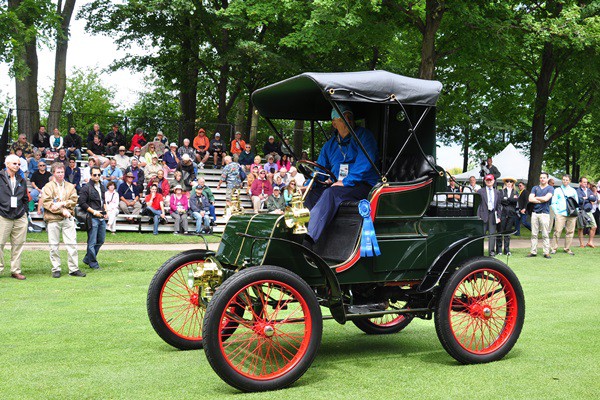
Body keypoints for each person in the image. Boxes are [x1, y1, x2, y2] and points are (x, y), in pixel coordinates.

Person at [304, 103, 379, 243]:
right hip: (340, 187)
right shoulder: (329, 146)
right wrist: (308, 185)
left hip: (363, 186)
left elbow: (365, 164)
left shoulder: (364, 136)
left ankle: (309, 240)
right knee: (311, 194)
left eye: (350, 117)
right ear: (334, 124)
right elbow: (319, 170)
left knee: (331, 193)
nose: (349, 121)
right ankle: (301, 233)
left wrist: (345, 182)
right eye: (344, 118)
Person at [41, 162, 85, 278]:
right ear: (53, 173)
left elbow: (74, 201)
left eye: (62, 172)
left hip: (68, 219)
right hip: (53, 219)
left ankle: (74, 268)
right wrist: (62, 211)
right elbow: (48, 203)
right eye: (58, 172)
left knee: (72, 244)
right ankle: (56, 268)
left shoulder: (70, 186)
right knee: (54, 245)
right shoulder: (48, 186)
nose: (60, 174)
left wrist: (62, 204)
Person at [0, 154, 29, 280]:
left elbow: (25, 198)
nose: (17, 166)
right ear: (7, 164)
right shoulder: (0, 177)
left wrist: (24, 211)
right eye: (14, 163)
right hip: (3, 215)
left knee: (18, 244)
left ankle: (15, 270)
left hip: (19, 216)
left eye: (18, 164)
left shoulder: (21, 179)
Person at [78, 166, 106, 270]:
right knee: (92, 241)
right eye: (95, 175)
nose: (97, 176)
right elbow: (82, 203)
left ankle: (87, 258)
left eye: (99, 174)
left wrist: (105, 210)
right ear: (91, 175)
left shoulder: (102, 186)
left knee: (101, 240)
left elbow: (103, 200)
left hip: (101, 217)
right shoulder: (86, 187)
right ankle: (93, 263)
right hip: (92, 217)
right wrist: (94, 212)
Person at [527, 172, 554, 258]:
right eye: (541, 177)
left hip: (544, 214)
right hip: (535, 213)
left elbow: (546, 198)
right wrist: (541, 199)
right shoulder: (535, 188)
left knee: (545, 234)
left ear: (547, 179)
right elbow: (530, 199)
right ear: (539, 179)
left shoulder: (550, 188)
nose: (542, 179)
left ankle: (546, 252)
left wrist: (536, 198)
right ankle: (533, 251)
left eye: (544, 178)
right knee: (534, 234)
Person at [550, 174, 578, 255]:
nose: (565, 181)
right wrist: (556, 212)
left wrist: (576, 212)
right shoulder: (557, 190)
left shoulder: (573, 191)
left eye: (567, 180)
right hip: (561, 213)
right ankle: (554, 248)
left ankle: (567, 248)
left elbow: (576, 203)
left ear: (569, 181)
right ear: (562, 180)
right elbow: (553, 202)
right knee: (557, 231)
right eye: (564, 179)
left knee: (570, 231)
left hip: (571, 214)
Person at [477, 174, 502, 257]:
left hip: (493, 215)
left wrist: (498, 217)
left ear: (493, 181)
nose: (489, 181)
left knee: (492, 234)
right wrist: (478, 216)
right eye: (487, 180)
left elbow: (498, 206)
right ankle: (479, 251)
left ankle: (491, 251)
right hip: (483, 214)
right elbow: (478, 204)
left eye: (490, 180)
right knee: (481, 234)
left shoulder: (497, 192)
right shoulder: (480, 191)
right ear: (485, 181)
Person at [497, 177, 519, 255]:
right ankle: (499, 250)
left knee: (508, 232)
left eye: (511, 181)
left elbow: (515, 201)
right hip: (503, 213)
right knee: (500, 231)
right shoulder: (501, 191)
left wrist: (507, 199)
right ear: (505, 183)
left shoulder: (516, 192)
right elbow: (500, 201)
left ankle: (507, 250)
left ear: (513, 183)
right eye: (507, 181)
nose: (509, 183)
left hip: (511, 214)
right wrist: (510, 200)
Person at [576, 176, 597, 248]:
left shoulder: (588, 190)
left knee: (594, 226)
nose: (585, 183)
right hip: (581, 211)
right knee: (581, 228)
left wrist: (586, 198)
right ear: (580, 183)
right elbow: (580, 200)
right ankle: (581, 244)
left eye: (586, 182)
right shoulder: (578, 191)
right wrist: (588, 198)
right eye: (584, 182)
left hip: (589, 211)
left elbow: (594, 198)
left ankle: (590, 242)